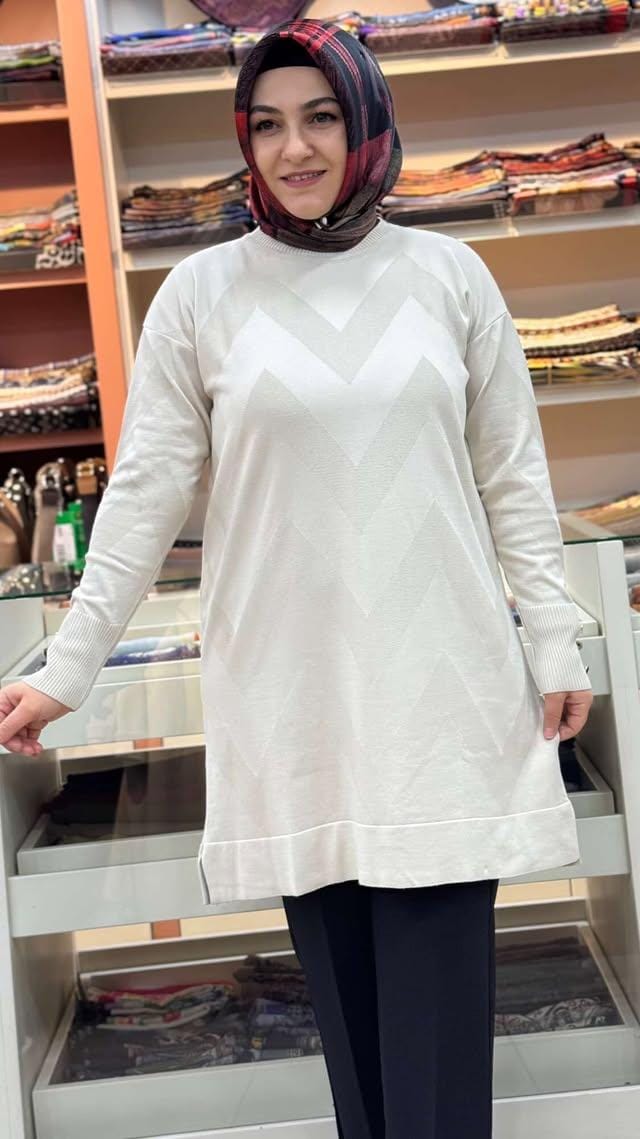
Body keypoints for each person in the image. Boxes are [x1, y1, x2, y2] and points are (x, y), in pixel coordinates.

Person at [0, 18, 592, 1138]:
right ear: (244, 139)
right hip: (294, 693)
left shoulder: (448, 276)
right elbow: (143, 496)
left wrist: (553, 637)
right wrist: (67, 668)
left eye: (321, 116)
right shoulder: (202, 293)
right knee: (354, 1040)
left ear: (366, 121)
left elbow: (513, 474)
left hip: (439, 687)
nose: (295, 148)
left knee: (437, 1037)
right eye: (267, 124)